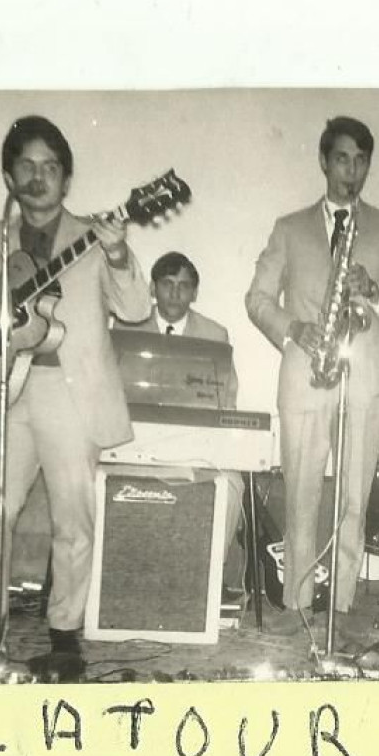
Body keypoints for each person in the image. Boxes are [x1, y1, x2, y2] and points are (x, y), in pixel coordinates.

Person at [0, 115, 150, 677]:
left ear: (67, 179)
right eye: (27, 165)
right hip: (8, 386)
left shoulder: (94, 237)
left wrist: (120, 256)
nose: (39, 176)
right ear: (9, 176)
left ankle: (65, 632)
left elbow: (136, 308)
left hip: (70, 391)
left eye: (51, 167)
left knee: (73, 514)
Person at [246, 116, 379, 636]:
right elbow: (256, 300)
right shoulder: (289, 228)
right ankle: (298, 604)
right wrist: (295, 328)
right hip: (306, 373)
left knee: (353, 499)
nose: (352, 169)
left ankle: (339, 606)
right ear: (324, 162)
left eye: (361, 160)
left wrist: (375, 293)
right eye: (342, 158)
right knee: (300, 496)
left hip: (364, 377)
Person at [115, 250, 246, 597]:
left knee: (233, 484)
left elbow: (227, 397)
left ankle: (205, 582)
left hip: (193, 445)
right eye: (168, 284)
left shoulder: (215, 334)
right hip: (135, 444)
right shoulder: (125, 328)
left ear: (194, 293)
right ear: (153, 289)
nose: (175, 293)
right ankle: (118, 582)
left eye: (184, 286)